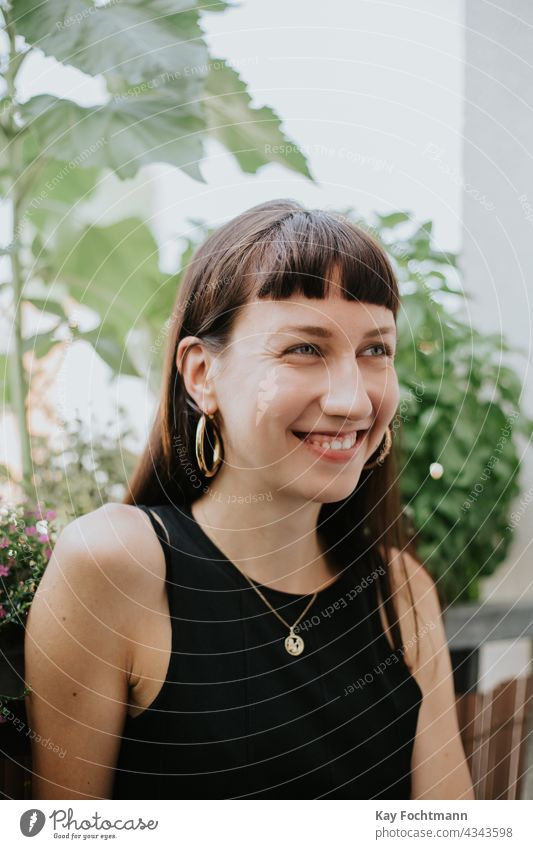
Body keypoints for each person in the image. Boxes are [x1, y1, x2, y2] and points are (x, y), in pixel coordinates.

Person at [24, 199, 475, 800]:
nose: (353, 400)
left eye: (375, 350)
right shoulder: (116, 563)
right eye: (304, 349)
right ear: (201, 374)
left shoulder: (400, 589)